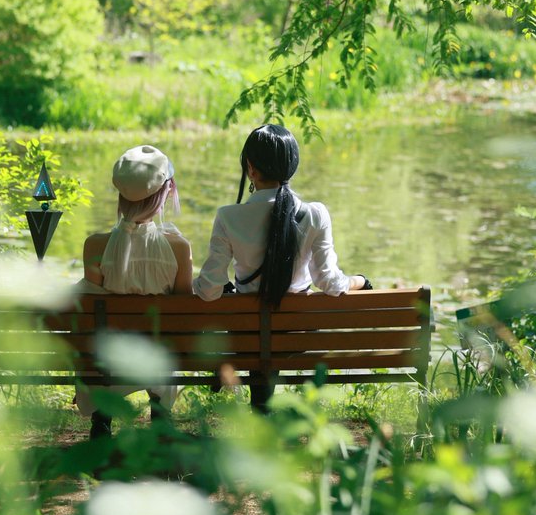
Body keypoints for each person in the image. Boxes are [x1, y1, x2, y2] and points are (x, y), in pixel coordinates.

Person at [193, 124, 370, 411]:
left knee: (250, 324)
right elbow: (330, 282)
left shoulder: (228, 217)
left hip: (247, 339)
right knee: (275, 328)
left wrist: (198, 285)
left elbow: (210, 289)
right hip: (295, 338)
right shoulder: (315, 214)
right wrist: (360, 281)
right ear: (292, 166)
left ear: (251, 168)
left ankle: (258, 406)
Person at [78, 144, 192, 438]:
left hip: (107, 364)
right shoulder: (178, 249)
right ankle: (161, 418)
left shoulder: (95, 246)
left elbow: (91, 312)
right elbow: (185, 312)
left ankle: (102, 420)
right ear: (165, 193)